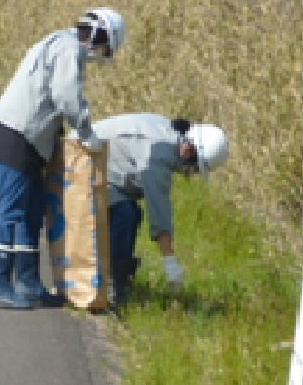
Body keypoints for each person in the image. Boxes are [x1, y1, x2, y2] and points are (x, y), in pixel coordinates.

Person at [0, 8, 127, 309]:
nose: (100, 54)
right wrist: (85, 129)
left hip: (31, 141)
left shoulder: (62, 45)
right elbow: (66, 96)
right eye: (104, 47)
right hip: (16, 135)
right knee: (12, 209)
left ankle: (29, 282)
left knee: (32, 210)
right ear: (98, 34)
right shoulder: (68, 48)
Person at [80, 113, 229, 304]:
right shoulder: (161, 154)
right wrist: (170, 260)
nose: (191, 173)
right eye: (195, 168)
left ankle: (117, 279)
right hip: (82, 162)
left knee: (132, 213)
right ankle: (110, 284)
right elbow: (159, 207)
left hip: (102, 165)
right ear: (189, 151)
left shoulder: (168, 134)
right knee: (124, 214)